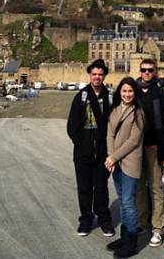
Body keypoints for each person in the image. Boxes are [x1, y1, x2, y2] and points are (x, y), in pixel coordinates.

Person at [67, 59, 114, 237]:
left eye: (100, 74)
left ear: (104, 76)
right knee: (84, 187)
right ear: (90, 75)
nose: (97, 77)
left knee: (101, 186)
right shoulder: (81, 96)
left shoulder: (109, 96)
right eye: (94, 74)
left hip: (102, 148)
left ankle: (104, 219)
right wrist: (82, 145)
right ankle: (86, 220)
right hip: (84, 149)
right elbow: (72, 126)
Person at [105, 77, 145, 259]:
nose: (127, 94)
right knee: (122, 201)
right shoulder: (115, 110)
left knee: (129, 203)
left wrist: (114, 157)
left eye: (130, 91)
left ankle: (132, 243)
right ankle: (124, 237)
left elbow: (133, 140)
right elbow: (110, 134)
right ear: (119, 92)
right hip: (116, 163)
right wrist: (111, 157)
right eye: (124, 91)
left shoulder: (138, 112)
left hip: (130, 162)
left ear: (134, 93)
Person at [136, 59, 164, 248]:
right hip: (136, 147)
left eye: (150, 70)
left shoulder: (160, 94)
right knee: (139, 187)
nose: (147, 73)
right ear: (140, 71)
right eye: (144, 70)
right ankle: (141, 222)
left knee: (156, 188)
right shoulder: (134, 91)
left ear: (155, 72)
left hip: (153, 147)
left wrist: (161, 145)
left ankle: (158, 228)